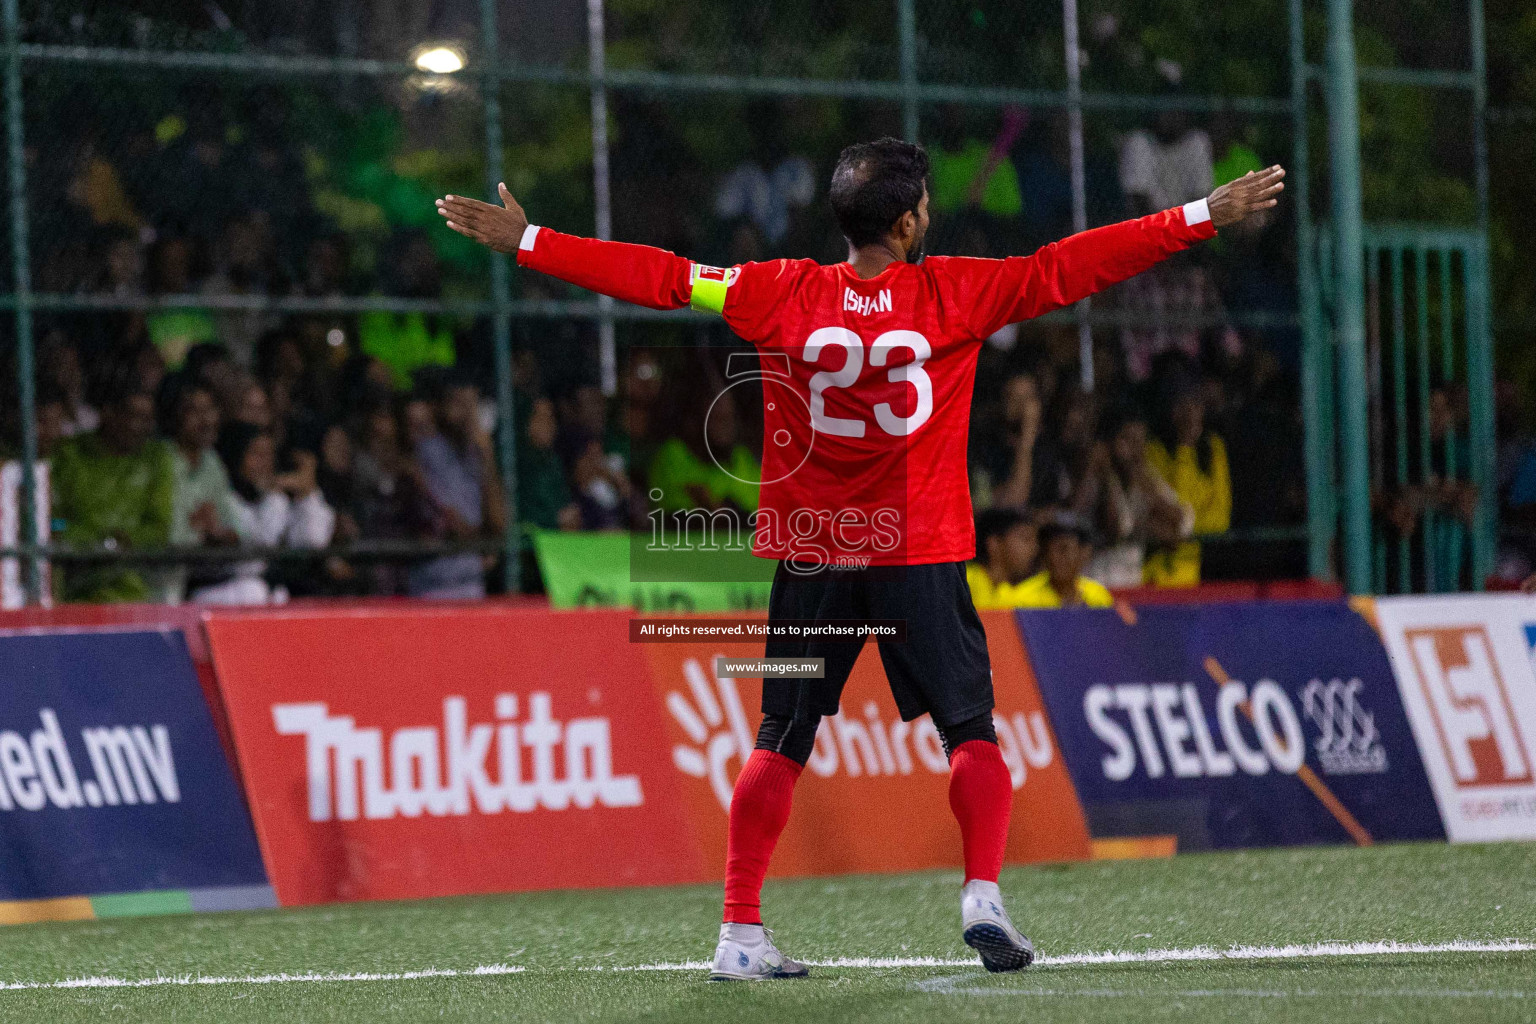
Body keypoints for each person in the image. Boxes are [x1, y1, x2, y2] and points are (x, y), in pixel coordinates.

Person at [438, 139, 1283, 978]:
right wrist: (1205, 212)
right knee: (971, 733)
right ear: (911, 220)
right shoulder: (957, 292)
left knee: (779, 738)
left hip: (813, 557)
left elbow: (660, 277)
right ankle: (982, 896)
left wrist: (531, 241)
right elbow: (1073, 266)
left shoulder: (770, 291)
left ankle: (739, 933)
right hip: (917, 552)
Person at [50, 381, 174, 603]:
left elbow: (159, 527)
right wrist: (96, 542)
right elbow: (53, 522)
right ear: (108, 413)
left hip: (137, 583)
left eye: (147, 418)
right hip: (76, 578)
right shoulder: (69, 455)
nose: (141, 426)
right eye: (133, 416)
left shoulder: (157, 458)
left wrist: (126, 541)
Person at [190, 423, 335, 605]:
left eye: (269, 455)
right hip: (216, 592)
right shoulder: (223, 498)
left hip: (260, 595)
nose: (264, 463)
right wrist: (275, 494)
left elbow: (314, 540)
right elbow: (262, 541)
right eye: (256, 454)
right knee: (254, 591)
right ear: (238, 456)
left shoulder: (277, 498)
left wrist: (308, 493)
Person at [408, 374, 508, 599]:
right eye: (457, 402)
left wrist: (488, 456)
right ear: (439, 406)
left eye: (470, 405)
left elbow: (499, 523)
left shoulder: (476, 454)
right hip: (431, 587)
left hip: (472, 585)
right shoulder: (426, 451)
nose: (464, 413)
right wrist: (481, 539)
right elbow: (455, 525)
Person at [1085, 406, 1193, 588]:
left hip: (1132, 586)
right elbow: (1116, 527)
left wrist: (1145, 485)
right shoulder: (1096, 477)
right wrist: (1147, 527)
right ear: (1107, 442)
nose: (1137, 449)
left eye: (1141, 441)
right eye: (1128, 440)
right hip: (1096, 586)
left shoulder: (1146, 477)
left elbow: (1182, 523)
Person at [1144, 374, 1231, 586]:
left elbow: (1221, 519)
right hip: (1157, 570)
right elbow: (1178, 507)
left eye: (1195, 404)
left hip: (1199, 568)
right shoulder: (1153, 452)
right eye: (1181, 404)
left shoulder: (1214, 447)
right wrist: (1184, 447)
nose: (1189, 413)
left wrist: (1189, 529)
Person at [1012, 515, 1115, 609]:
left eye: (1063, 549)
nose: (1053, 557)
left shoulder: (1097, 596)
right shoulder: (1023, 599)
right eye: (1048, 550)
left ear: (1083, 553)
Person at [966, 507, 1039, 610]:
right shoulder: (963, 583)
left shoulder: (1015, 596)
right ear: (994, 543)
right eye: (1025, 539)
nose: (1034, 548)